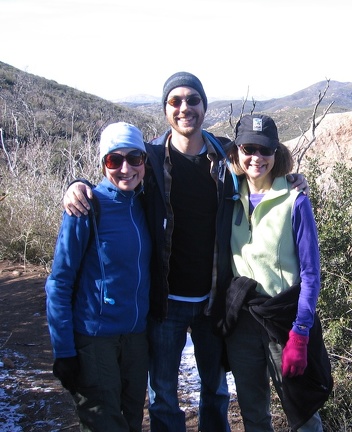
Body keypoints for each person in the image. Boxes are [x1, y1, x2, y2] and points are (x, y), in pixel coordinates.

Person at [63, 72, 309, 432]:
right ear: (165, 108)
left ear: (204, 106)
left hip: (214, 300)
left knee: (215, 390)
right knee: (163, 393)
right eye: (175, 101)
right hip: (165, 303)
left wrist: (293, 179)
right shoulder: (146, 158)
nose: (184, 108)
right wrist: (76, 185)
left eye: (192, 100)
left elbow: (263, 169)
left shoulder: (226, 157)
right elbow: (114, 179)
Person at [213, 114, 332, 432]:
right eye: (248, 148)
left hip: (285, 320)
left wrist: (301, 332)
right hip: (244, 320)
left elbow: (310, 273)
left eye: (265, 150)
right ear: (237, 151)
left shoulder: (295, 200)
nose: (256, 158)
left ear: (276, 153)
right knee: (254, 414)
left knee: (304, 416)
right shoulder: (227, 194)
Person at [46, 122, 152, 431]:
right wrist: (64, 351)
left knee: (131, 421)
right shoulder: (85, 208)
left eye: (134, 158)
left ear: (144, 161)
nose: (125, 168)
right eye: (113, 160)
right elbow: (59, 282)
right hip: (95, 340)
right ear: (102, 162)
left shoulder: (145, 202)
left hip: (135, 339)